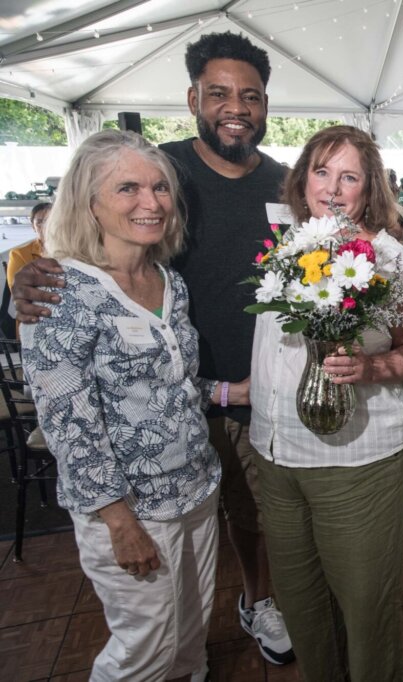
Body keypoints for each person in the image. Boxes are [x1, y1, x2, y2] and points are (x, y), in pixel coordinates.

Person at [12, 31, 293, 664]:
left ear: (266, 105)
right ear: (193, 97)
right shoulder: (157, 165)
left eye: (250, 96)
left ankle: (258, 602)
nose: (236, 108)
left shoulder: (284, 184)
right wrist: (28, 282)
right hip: (161, 428)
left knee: (249, 519)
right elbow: (70, 403)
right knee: (153, 628)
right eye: (219, 93)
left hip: (244, 390)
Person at [21, 129, 248, 680]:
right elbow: (68, 425)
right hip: (132, 508)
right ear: (89, 201)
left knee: (190, 640)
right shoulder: (60, 293)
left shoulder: (168, 281)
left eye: (160, 188)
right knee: (145, 651)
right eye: (128, 188)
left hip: (195, 488)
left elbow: (173, 385)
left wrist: (232, 393)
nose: (151, 203)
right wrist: (119, 523)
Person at [249, 125, 403, 682]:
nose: (332, 187)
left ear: (367, 187)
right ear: (303, 179)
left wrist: (371, 366)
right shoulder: (285, 248)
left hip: (359, 459)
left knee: (364, 609)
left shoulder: (390, 260)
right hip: (277, 454)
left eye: (348, 176)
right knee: (300, 605)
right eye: (322, 171)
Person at [6, 202, 50, 288]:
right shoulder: (19, 254)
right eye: (39, 222)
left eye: (50, 221)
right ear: (33, 226)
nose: (46, 227)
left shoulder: (73, 252)